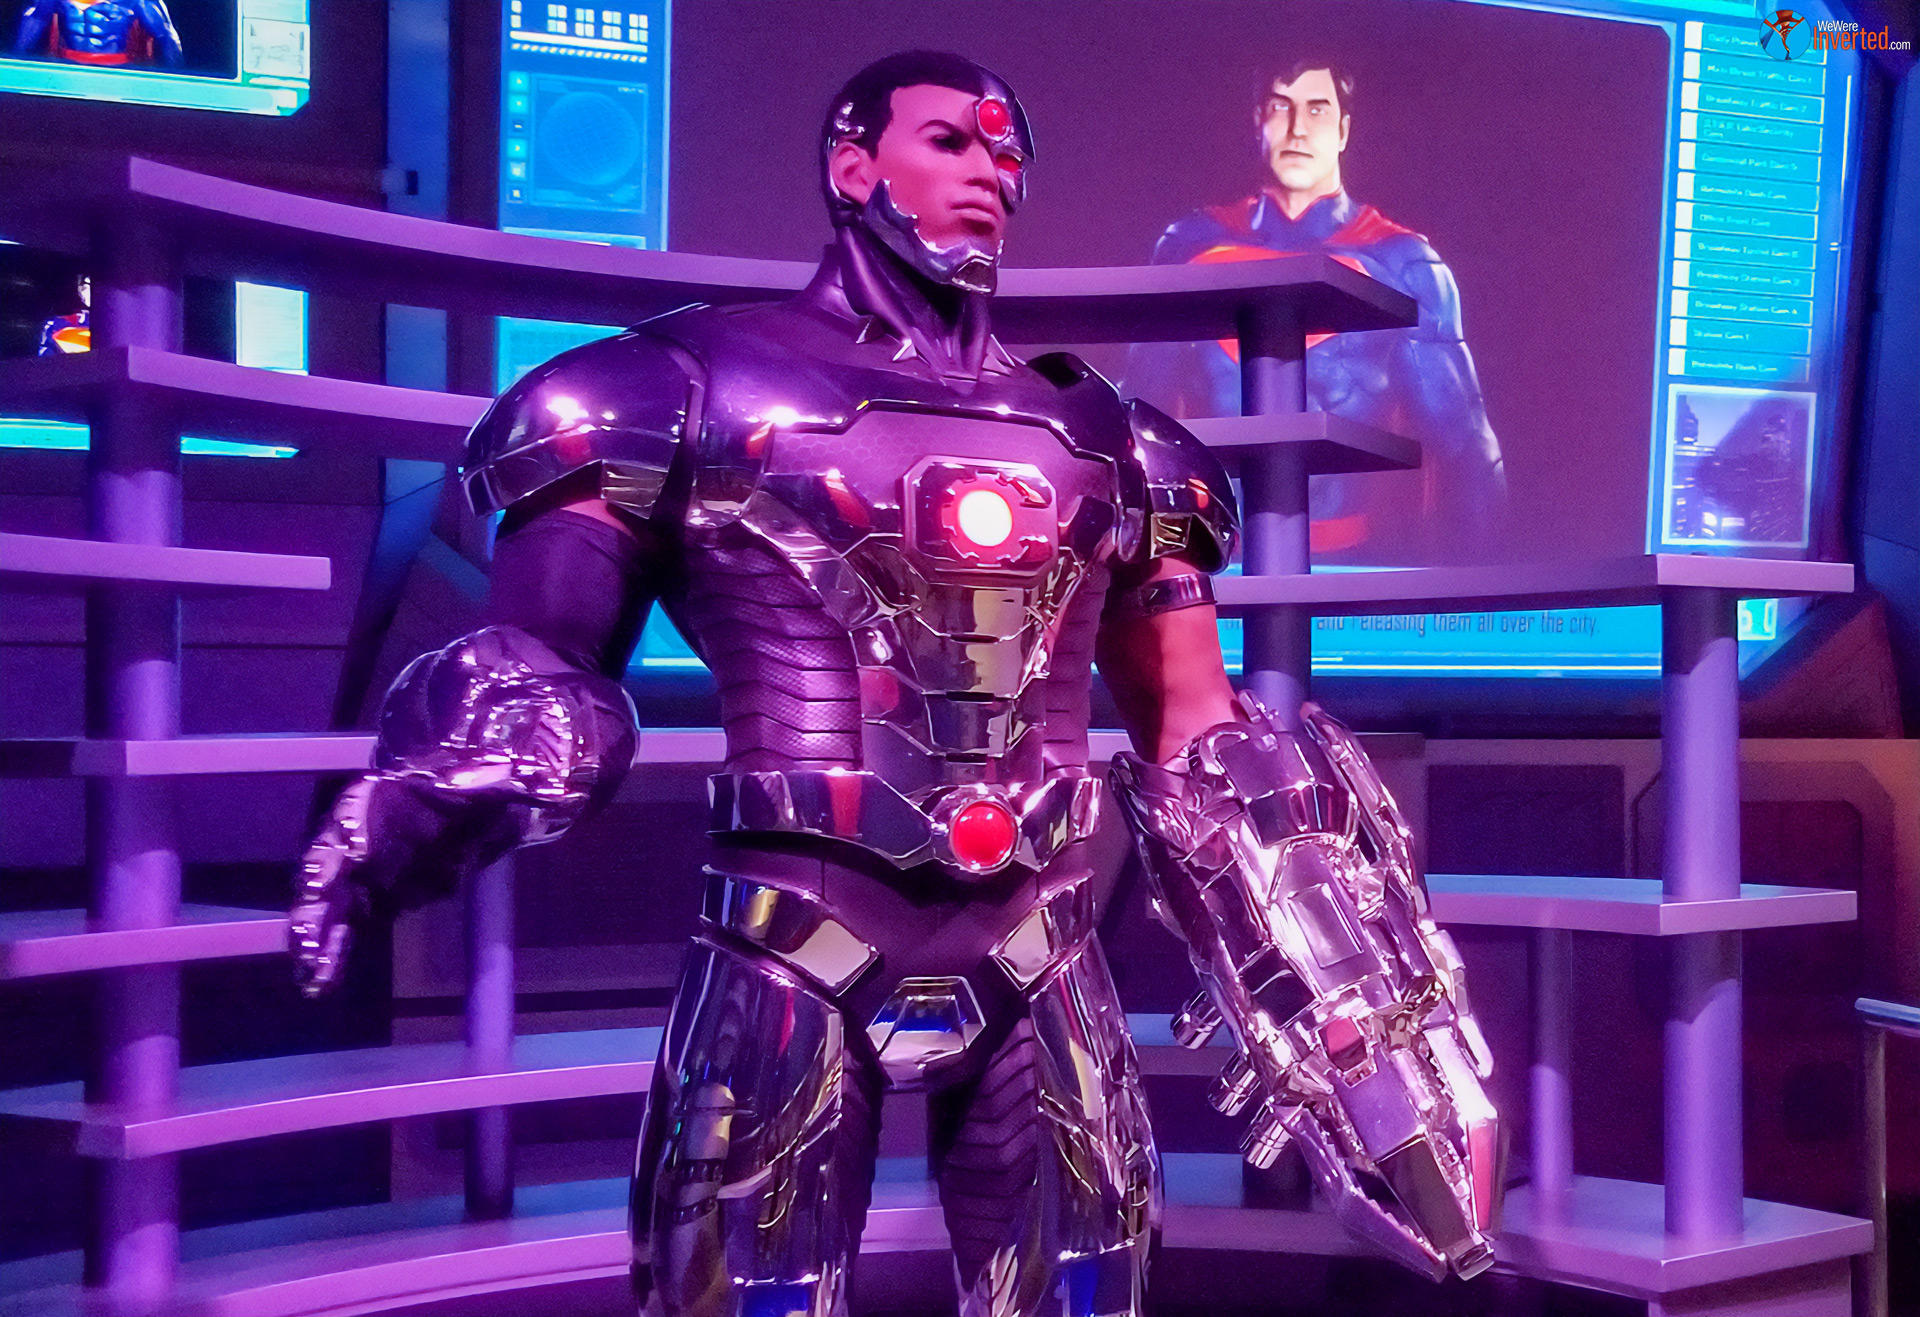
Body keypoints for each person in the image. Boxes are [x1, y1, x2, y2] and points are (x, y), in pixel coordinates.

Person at [291, 51, 1501, 1316]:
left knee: (1085, 1296)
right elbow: (544, 662)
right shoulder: (679, 385)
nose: (991, 174)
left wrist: (1365, 1023)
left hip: (1039, 948)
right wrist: (417, 800)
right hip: (789, 942)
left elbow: (1199, 738)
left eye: (1007, 153)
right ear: (851, 164)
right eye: (952, 142)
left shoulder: (1114, 439)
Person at [1130, 59, 1505, 564]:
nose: (1298, 129)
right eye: (1281, 107)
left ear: (1343, 130)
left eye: (1317, 110)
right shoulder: (1190, 248)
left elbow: (1467, 450)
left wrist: (1473, 591)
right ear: (1259, 120)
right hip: (1217, 560)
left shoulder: (1404, 264)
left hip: (1358, 561)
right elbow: (1137, 426)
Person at [11, 0, 183, 67]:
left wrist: (176, 81)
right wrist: (17, 67)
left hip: (117, 70)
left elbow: (167, 37)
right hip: (68, 66)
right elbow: (32, 23)